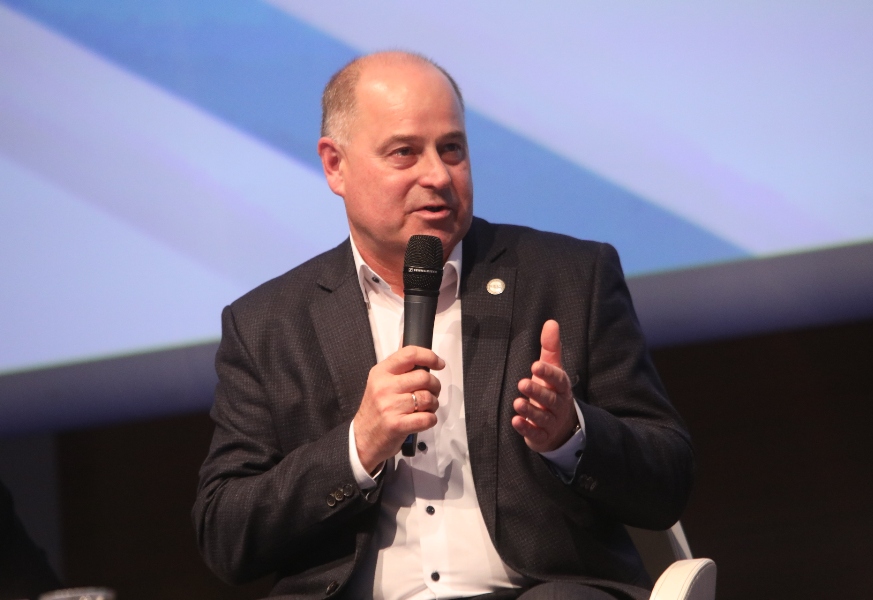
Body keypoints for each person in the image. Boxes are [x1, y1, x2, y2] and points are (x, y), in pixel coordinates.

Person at [193, 51, 693, 600]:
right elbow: (226, 535)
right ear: (335, 165)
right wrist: (358, 446)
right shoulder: (268, 324)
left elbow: (667, 482)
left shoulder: (570, 277)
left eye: (452, 149)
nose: (437, 175)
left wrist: (571, 436)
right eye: (404, 152)